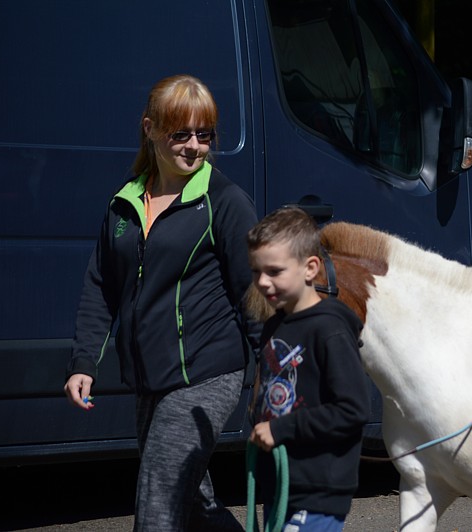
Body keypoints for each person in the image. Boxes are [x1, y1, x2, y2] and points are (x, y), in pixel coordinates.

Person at [64, 74, 260, 531]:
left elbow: (256, 294)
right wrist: (83, 363)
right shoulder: (126, 201)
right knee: (192, 500)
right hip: (152, 377)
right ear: (150, 129)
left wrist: (275, 374)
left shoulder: (225, 202)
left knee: (159, 498)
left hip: (206, 372)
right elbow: (101, 285)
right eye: (181, 134)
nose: (194, 146)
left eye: (205, 134)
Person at [246, 206, 370, 531]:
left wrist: (281, 429)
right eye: (256, 271)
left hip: (318, 490)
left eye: (274, 271)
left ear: (310, 268)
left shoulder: (330, 330)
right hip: (281, 482)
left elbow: (353, 409)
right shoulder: (275, 325)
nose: (262, 282)